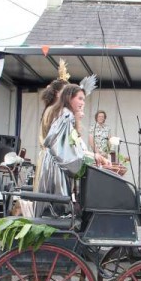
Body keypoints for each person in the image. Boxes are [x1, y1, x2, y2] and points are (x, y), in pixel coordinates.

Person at [36, 84, 111, 217]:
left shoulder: (65, 114)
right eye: (80, 99)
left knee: (56, 204)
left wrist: (91, 156)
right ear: (69, 98)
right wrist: (90, 158)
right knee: (55, 207)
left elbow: (72, 148)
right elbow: (64, 151)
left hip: (56, 165)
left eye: (84, 100)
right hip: (55, 167)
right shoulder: (66, 115)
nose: (83, 103)